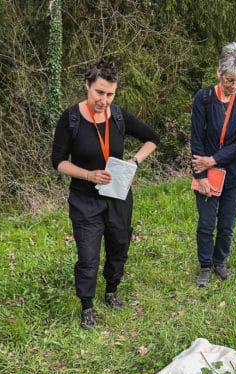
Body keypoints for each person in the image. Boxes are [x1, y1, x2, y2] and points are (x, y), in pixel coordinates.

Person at [52, 58, 160, 328]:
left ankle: (111, 290)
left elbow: (153, 138)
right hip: (84, 198)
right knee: (88, 256)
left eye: (110, 94)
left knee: (118, 246)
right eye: (99, 92)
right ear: (87, 86)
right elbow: (58, 161)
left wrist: (133, 162)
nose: (104, 100)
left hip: (118, 196)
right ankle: (87, 305)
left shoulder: (119, 116)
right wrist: (89, 174)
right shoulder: (71, 118)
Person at [191, 42, 236, 287]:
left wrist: (215, 159)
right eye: (230, 80)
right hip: (206, 173)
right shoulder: (203, 99)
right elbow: (196, 138)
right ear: (219, 73)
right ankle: (205, 266)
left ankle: (220, 263)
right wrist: (202, 173)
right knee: (207, 223)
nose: (234, 86)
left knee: (227, 223)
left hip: (235, 173)